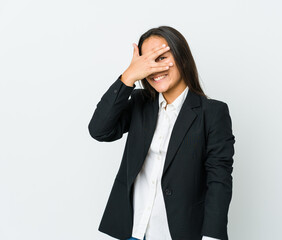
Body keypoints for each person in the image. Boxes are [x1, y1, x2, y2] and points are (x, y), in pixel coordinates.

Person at [88, 26, 235, 240]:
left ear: (182, 58)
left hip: (179, 233)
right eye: (147, 62)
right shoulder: (140, 103)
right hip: (133, 230)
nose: (154, 69)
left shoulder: (212, 113)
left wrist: (211, 237)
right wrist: (128, 76)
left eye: (161, 58)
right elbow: (99, 130)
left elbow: (219, 180)